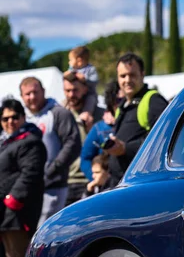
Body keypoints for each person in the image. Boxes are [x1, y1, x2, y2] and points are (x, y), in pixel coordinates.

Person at [0, 99, 46, 257]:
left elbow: (31, 173)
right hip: (6, 211)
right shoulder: (7, 142)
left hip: (19, 208)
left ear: (22, 117)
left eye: (14, 117)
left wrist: (14, 198)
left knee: (19, 256)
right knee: (12, 256)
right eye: (5, 118)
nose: (10, 121)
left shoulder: (30, 142)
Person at [20, 77, 81, 228]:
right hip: (28, 189)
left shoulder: (59, 113)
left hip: (53, 187)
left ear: (43, 92)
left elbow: (72, 144)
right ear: (22, 97)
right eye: (27, 94)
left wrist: (52, 170)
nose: (32, 97)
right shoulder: (20, 119)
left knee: (46, 233)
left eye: (35, 92)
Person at [104, 53, 168, 188]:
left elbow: (163, 140)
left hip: (140, 185)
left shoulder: (153, 100)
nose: (127, 80)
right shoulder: (123, 106)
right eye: (123, 76)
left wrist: (125, 148)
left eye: (132, 75)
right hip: (120, 184)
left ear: (142, 75)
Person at [62, 73, 103, 206]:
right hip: (66, 182)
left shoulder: (101, 115)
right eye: (68, 90)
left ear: (85, 89)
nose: (71, 94)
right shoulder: (61, 116)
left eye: (75, 90)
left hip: (90, 180)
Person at [80, 80, 122, 182]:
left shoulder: (135, 124)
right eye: (118, 100)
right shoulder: (99, 128)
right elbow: (85, 159)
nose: (121, 104)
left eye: (124, 100)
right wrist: (97, 178)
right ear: (111, 102)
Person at [64, 46, 99, 131]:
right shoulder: (72, 70)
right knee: (65, 102)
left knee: (90, 102)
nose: (69, 62)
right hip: (78, 97)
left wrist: (85, 79)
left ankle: (85, 115)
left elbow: (95, 81)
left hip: (90, 94)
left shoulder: (90, 69)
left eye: (71, 60)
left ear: (79, 61)